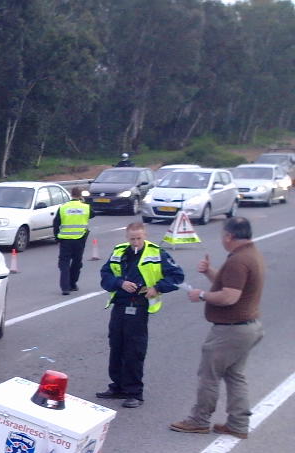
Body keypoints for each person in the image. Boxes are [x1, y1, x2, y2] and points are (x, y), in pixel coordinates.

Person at [169, 216, 264, 438]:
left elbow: (230, 296)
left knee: (209, 375)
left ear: (229, 236)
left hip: (231, 330)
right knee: (235, 375)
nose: (222, 239)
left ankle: (199, 420)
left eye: (223, 235)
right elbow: (233, 286)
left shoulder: (238, 261)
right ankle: (238, 424)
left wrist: (201, 295)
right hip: (249, 327)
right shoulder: (251, 255)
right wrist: (210, 272)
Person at [96, 222, 184, 408]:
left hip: (139, 306)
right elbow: (105, 275)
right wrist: (120, 283)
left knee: (134, 349)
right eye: (132, 239)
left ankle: (134, 392)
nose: (135, 242)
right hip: (119, 305)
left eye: (139, 238)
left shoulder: (156, 253)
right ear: (126, 238)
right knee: (116, 346)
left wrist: (157, 288)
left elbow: (177, 276)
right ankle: (117, 386)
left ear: (145, 236)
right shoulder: (119, 251)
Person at [53, 186, 91, 295]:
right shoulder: (86, 207)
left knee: (64, 263)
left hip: (65, 240)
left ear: (71, 194)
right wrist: (83, 202)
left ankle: (65, 288)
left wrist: (57, 237)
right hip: (80, 240)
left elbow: (56, 223)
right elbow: (93, 214)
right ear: (80, 195)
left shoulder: (63, 207)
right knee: (77, 262)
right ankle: (73, 284)